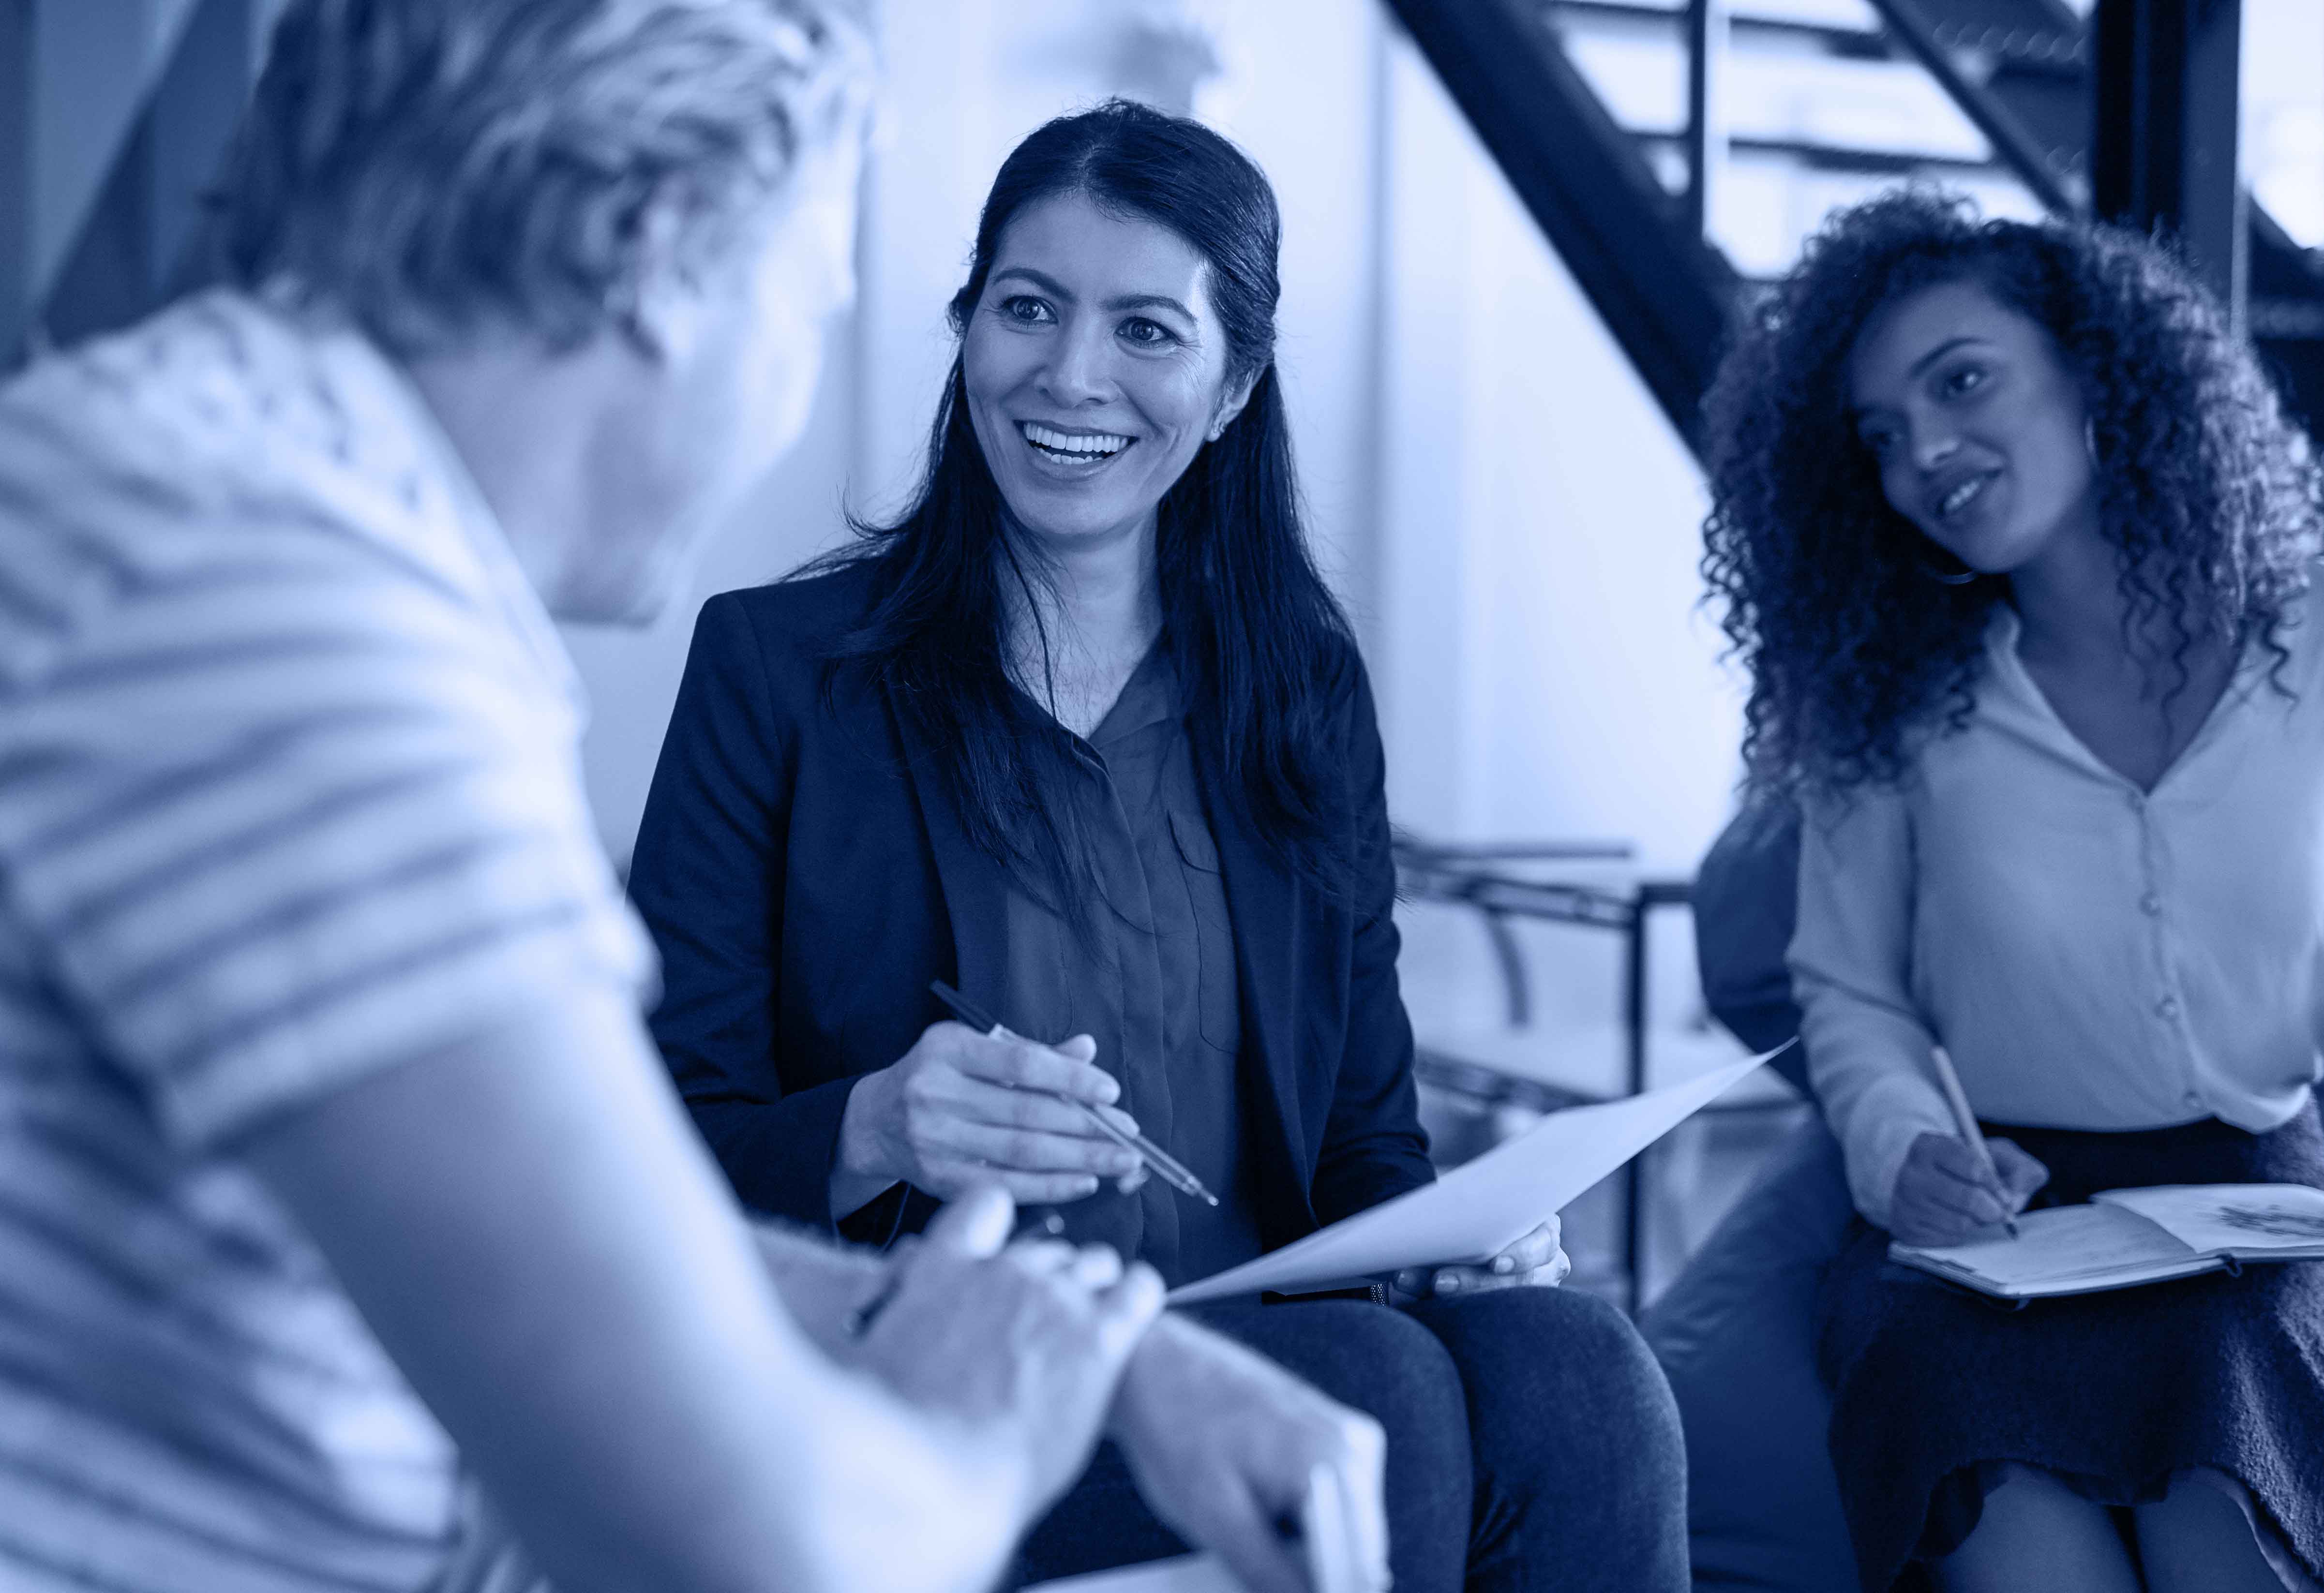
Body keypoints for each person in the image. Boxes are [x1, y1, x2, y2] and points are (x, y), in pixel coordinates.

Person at [0, 5, 1394, 1592]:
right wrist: (993, 1421)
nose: (795, 383)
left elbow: (551, 1235)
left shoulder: (192, 482)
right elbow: (783, 1560)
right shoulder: (288, 613)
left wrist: (1118, 1360)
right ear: (663, 255)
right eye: (814, 297)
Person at [630, 96, 1689, 1593]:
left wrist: (1458, 1236)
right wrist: (874, 1125)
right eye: (1027, 308)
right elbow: (654, 1150)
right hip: (947, 1378)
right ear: (968, 331)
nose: (1070, 375)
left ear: (1234, 384)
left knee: (1579, 1369)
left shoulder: (1300, 692)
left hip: (1276, 1320)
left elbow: (1360, 1141)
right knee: (1379, 1394)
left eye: (1146, 330)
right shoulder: (776, 672)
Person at [1700, 186, 2324, 1593]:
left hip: (2264, 1207)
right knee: (2004, 1495)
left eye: (1961, 382)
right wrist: (1905, 1154)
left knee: (2226, 1462)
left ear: (2097, 370)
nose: (1922, 454)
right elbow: (1850, 991)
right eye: (1879, 435)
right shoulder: (1891, 697)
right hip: (1989, 1226)